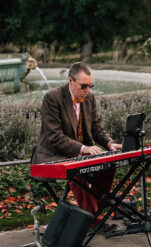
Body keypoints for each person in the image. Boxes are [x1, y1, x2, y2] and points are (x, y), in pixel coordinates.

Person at [31, 62, 121, 231]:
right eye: (84, 86)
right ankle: (94, 218)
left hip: (76, 154)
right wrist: (83, 149)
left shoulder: (89, 97)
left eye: (90, 85)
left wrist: (110, 143)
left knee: (109, 165)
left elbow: (95, 127)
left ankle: (92, 212)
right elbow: (54, 136)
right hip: (52, 154)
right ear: (70, 81)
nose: (87, 90)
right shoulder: (52, 98)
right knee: (77, 169)